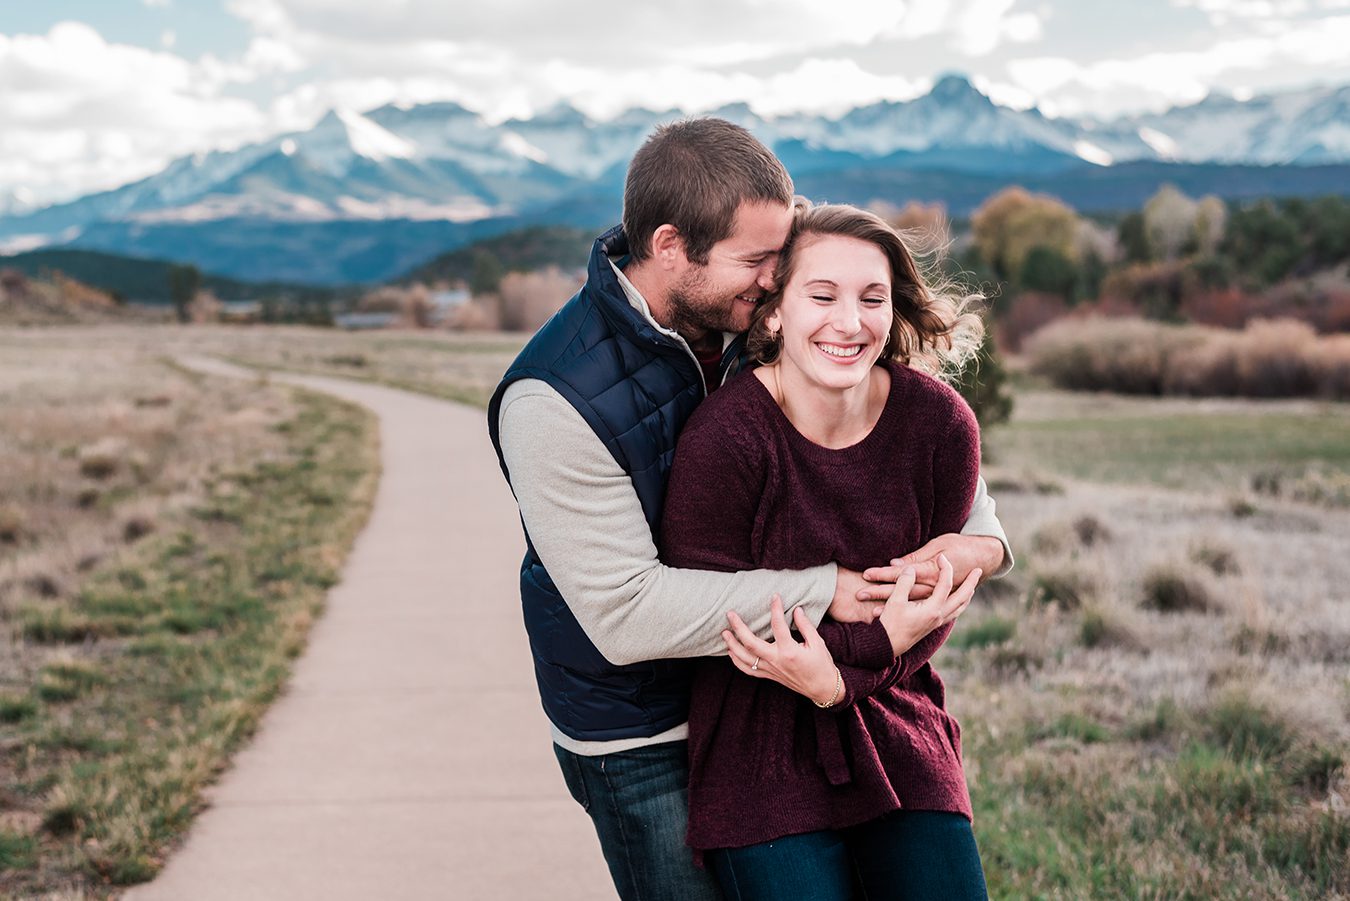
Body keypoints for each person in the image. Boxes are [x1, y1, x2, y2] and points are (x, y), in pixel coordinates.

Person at [487, 118, 1011, 901]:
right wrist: (825, 588)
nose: (777, 279)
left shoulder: (736, 312)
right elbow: (628, 615)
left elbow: (920, 457)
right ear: (671, 247)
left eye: (782, 255)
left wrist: (985, 541)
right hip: (643, 727)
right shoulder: (550, 400)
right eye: (760, 261)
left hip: (801, 692)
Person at [660, 201, 992, 900]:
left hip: (898, 726)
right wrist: (868, 646)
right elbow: (723, 620)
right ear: (773, 312)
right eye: (822, 295)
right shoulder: (727, 439)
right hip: (759, 753)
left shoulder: (938, 425)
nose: (849, 322)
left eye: (872, 298)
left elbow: (929, 609)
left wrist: (843, 680)